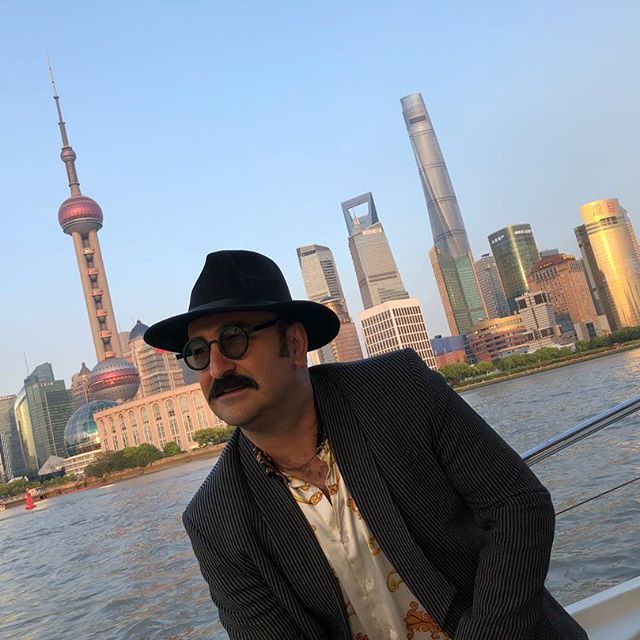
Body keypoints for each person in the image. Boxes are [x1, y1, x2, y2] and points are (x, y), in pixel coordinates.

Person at [144, 250, 587, 640]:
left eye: (233, 339)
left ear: (294, 344)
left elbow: (518, 507)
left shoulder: (397, 391)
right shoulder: (214, 519)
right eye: (198, 352)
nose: (216, 367)